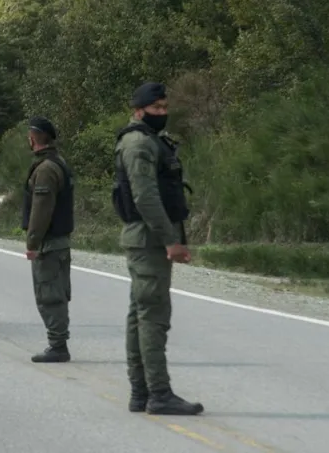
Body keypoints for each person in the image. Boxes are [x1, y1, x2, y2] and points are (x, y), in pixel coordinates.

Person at [112, 82, 204, 415]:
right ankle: (158, 393)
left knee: (140, 314)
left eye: (165, 107)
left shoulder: (148, 140)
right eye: (156, 108)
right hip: (149, 239)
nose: (162, 113)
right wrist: (170, 240)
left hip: (145, 238)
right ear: (139, 111)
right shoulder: (139, 143)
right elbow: (145, 197)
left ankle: (141, 392)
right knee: (152, 316)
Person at [21, 116, 75, 363]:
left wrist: (32, 242)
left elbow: (40, 210)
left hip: (49, 243)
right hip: (59, 240)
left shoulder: (45, 169)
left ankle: (58, 345)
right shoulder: (58, 162)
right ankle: (58, 342)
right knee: (57, 292)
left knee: (49, 294)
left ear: (33, 139)